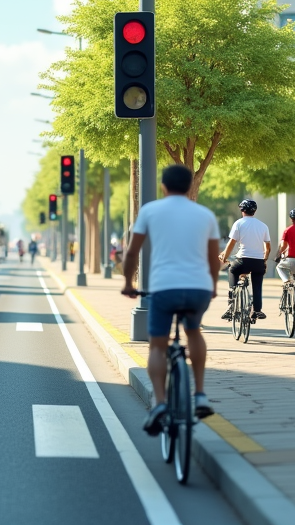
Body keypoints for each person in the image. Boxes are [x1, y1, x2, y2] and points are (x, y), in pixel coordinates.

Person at [122, 164, 219, 433]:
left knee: (157, 346)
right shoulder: (205, 214)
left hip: (164, 288)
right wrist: (212, 285)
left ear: (163, 186)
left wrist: (128, 283)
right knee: (194, 331)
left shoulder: (150, 211)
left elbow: (132, 253)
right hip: (198, 288)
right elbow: (213, 257)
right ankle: (199, 393)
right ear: (190, 186)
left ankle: (161, 403)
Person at [219, 199, 271, 321]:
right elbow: (267, 247)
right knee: (257, 285)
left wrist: (225, 257)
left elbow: (232, 243)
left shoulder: (238, 223)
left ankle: (231, 305)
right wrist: (264, 260)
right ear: (255, 211)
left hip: (242, 260)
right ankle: (257, 310)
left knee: (232, 270)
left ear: (242, 210)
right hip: (258, 262)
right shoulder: (263, 226)